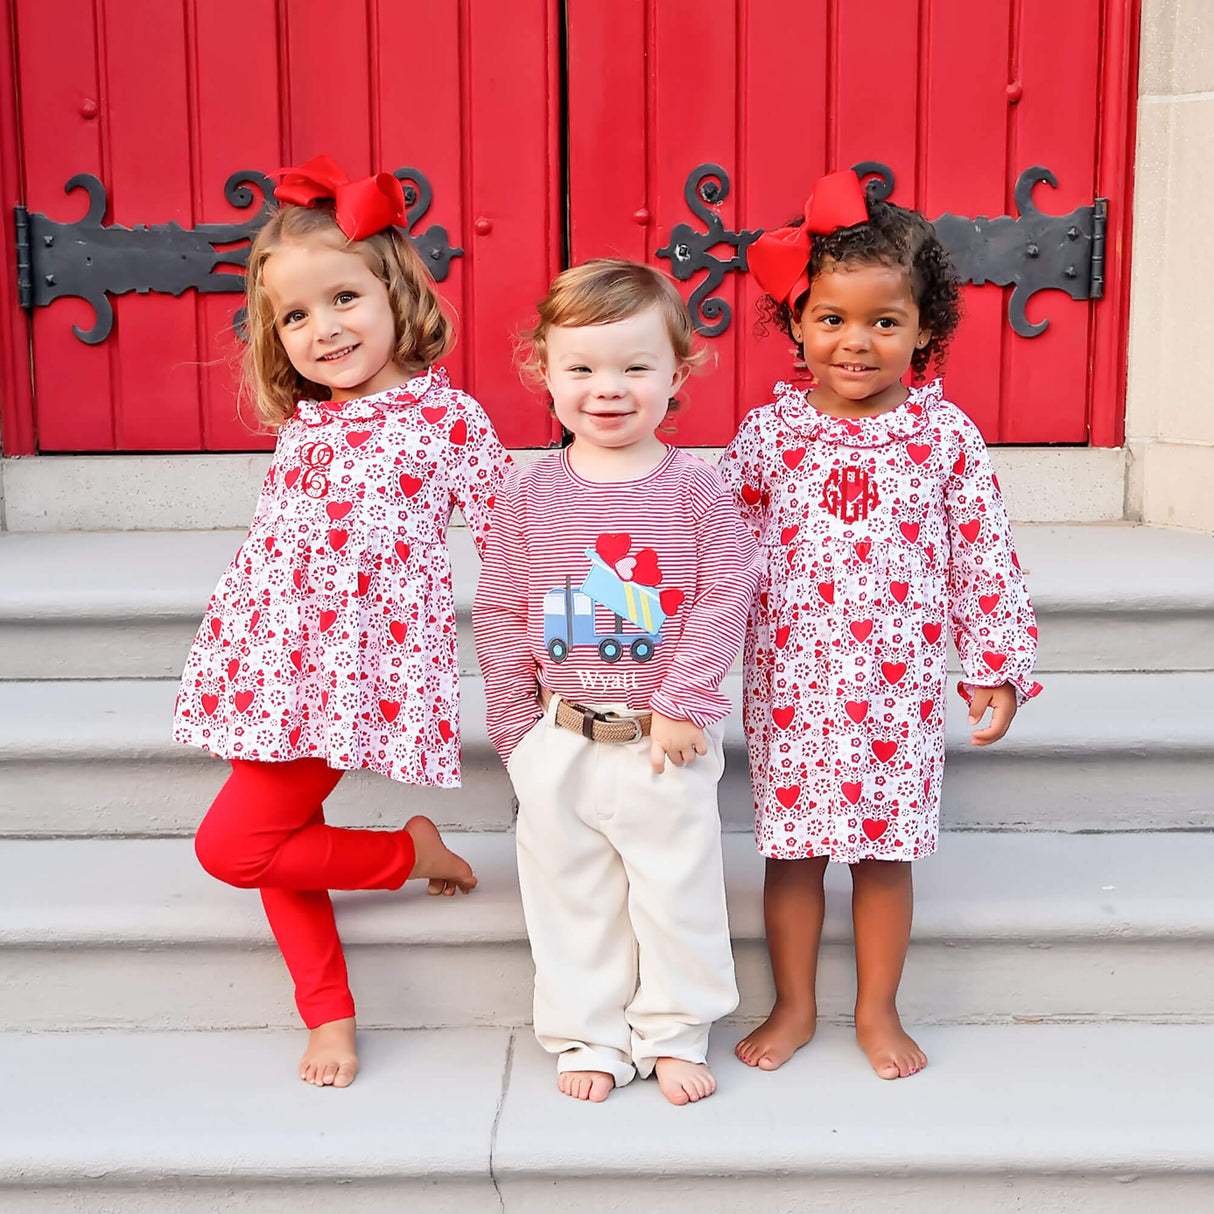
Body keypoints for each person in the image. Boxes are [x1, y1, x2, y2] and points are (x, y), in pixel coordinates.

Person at [175, 156, 508, 1088]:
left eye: (343, 299)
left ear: (397, 289)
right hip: (270, 665)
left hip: (351, 673)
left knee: (234, 847)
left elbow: (506, 541)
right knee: (276, 850)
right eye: (295, 315)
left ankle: (407, 853)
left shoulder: (448, 419)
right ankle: (329, 1015)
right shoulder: (308, 424)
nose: (323, 330)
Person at [719, 170, 1041, 1080]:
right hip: (793, 685)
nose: (855, 342)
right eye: (832, 319)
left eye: (883, 322)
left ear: (925, 330)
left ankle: (876, 1011)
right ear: (796, 324)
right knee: (793, 856)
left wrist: (994, 663)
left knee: (882, 857)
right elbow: (720, 548)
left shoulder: (945, 439)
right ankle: (791, 1005)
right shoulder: (768, 435)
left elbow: (984, 556)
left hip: (893, 691)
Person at [474, 259, 760, 1105]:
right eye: (583, 368)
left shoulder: (695, 490)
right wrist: (515, 727)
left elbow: (724, 593)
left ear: (679, 372)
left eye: (635, 367)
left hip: (659, 740)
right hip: (560, 736)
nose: (608, 389)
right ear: (545, 373)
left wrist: (685, 701)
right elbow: (498, 608)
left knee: (677, 893)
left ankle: (676, 1029)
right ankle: (589, 1036)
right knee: (572, 896)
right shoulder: (530, 496)